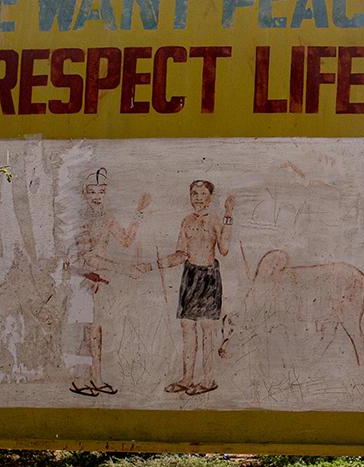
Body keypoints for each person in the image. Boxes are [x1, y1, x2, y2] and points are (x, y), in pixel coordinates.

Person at [137, 179, 235, 396]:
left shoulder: (216, 220)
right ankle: (187, 378)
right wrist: (151, 266)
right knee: (187, 329)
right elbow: (180, 254)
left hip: (208, 277)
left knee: (207, 329)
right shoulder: (186, 221)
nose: (198, 198)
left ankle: (208, 379)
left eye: (202, 193)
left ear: (211, 197)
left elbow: (225, 249)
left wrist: (229, 214)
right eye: (194, 193)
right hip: (189, 277)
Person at [63, 168, 149, 396]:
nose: (97, 196)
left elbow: (126, 241)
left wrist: (139, 213)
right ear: (84, 193)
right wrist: (123, 268)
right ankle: (83, 380)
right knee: (87, 332)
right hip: (85, 280)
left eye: (101, 191)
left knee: (95, 333)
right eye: (92, 191)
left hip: (101, 281)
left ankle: (94, 379)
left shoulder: (107, 218)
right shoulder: (81, 221)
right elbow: (88, 257)